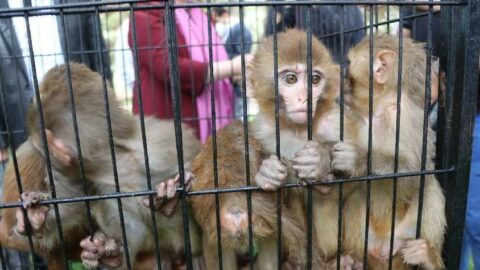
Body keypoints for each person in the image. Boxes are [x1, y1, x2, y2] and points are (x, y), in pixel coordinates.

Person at [0, 0, 112, 268]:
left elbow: (99, 58)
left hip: (79, 123)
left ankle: (95, 247)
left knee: (90, 203)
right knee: (24, 214)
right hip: (17, 123)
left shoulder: (77, 3)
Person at [129, 1, 249, 143]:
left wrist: (234, 74)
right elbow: (168, 68)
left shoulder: (198, 14)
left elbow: (210, 60)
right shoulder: (145, 11)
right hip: (166, 129)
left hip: (198, 125)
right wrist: (231, 67)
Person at [264, 1, 365, 63]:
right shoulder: (299, 7)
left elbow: (346, 31)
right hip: (307, 65)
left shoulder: (348, 7)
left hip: (340, 67)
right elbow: (273, 35)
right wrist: (276, 7)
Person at [212, 7, 253, 118]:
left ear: (224, 14)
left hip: (238, 83)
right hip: (230, 81)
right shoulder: (230, 29)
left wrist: (223, 61)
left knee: (239, 116)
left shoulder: (240, 30)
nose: (217, 22)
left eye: (217, 19)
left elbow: (242, 57)